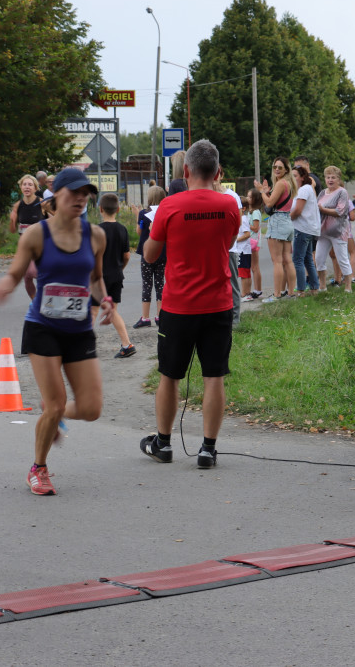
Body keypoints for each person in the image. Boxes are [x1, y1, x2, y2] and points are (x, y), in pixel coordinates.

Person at [0, 168, 113, 496]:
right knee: (56, 402)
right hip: (43, 327)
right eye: (74, 192)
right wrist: (3, 287)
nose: (81, 198)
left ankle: (51, 412)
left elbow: (96, 279)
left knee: (90, 409)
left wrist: (106, 300)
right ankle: (38, 469)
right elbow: (15, 275)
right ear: (55, 194)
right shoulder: (36, 235)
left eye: (86, 193)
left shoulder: (96, 235)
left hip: (79, 329)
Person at [138, 139, 239, 469]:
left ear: (185, 170)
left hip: (179, 306)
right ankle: (208, 449)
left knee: (169, 376)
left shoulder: (170, 206)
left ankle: (163, 443)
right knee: (214, 376)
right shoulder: (229, 206)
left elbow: (150, 255)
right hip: (218, 303)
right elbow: (228, 242)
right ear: (218, 172)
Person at [96, 193, 135, 358]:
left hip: (99, 277)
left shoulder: (96, 231)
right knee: (112, 311)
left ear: (100, 209)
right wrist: (121, 268)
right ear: (118, 209)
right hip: (116, 276)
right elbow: (126, 256)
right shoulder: (123, 229)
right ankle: (126, 344)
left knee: (91, 310)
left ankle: (82, 347)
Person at [254, 157, 295, 303]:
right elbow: (276, 200)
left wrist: (261, 192)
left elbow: (270, 204)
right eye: (274, 167)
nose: (276, 169)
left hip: (278, 221)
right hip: (287, 221)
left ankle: (277, 294)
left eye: (280, 167)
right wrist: (266, 191)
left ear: (286, 170)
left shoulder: (280, 183)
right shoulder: (289, 184)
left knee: (277, 261)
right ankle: (291, 293)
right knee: (287, 260)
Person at [132, 185, 167, 328]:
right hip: (163, 252)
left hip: (147, 254)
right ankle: (160, 315)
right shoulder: (165, 213)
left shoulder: (143, 214)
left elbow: (140, 232)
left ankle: (145, 317)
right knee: (160, 285)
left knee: (147, 284)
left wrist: (137, 215)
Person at [315, 166, 353, 292]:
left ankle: (348, 287)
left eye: (333, 177)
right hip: (323, 231)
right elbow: (316, 207)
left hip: (338, 231)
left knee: (342, 259)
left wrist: (323, 210)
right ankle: (322, 286)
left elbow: (340, 211)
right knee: (319, 259)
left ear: (338, 179)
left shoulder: (342, 192)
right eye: (328, 177)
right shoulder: (322, 192)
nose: (330, 180)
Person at [9, 174, 47, 299]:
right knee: (27, 276)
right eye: (24, 184)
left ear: (35, 188)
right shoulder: (17, 205)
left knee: (35, 273)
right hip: (25, 247)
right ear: (20, 187)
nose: (27, 187)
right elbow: (13, 230)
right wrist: (12, 221)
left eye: (30, 185)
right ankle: (35, 301)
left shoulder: (42, 203)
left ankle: (45, 297)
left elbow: (57, 217)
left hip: (40, 245)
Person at [215, 167, 243, 325]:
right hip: (213, 249)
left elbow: (237, 224)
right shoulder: (208, 195)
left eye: (217, 174)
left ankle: (235, 320)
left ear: (221, 176)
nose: (214, 178)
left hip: (229, 249)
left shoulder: (231, 196)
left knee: (232, 285)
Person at [289, 165, 321, 293]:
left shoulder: (303, 190)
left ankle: (301, 290)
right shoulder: (307, 189)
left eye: (295, 176)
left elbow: (298, 210)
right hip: (309, 229)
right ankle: (314, 288)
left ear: (302, 177)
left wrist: (287, 218)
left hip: (302, 229)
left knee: (298, 260)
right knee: (308, 259)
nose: (293, 178)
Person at [245, 189, 264, 299]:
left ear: (255, 199)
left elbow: (256, 228)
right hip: (250, 241)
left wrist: (245, 224)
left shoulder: (256, 212)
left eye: (250, 197)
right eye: (247, 196)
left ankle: (258, 290)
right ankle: (257, 289)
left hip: (253, 242)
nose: (248, 198)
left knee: (255, 267)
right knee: (253, 267)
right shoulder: (250, 211)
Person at [236, 200, 254, 302]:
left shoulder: (242, 219)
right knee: (246, 272)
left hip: (242, 250)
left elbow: (247, 234)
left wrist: (235, 240)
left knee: (243, 273)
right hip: (245, 250)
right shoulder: (243, 218)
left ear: (243, 208)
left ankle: (244, 294)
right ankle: (247, 292)